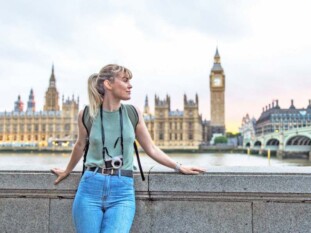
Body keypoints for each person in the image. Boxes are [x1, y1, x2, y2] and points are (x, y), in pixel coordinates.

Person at [51, 64, 205, 233]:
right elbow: (80, 145)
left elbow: (151, 148)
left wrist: (179, 166)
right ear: (108, 84)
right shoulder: (87, 114)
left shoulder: (133, 113)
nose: (130, 85)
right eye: (125, 80)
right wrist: (67, 170)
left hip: (122, 190)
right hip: (90, 187)